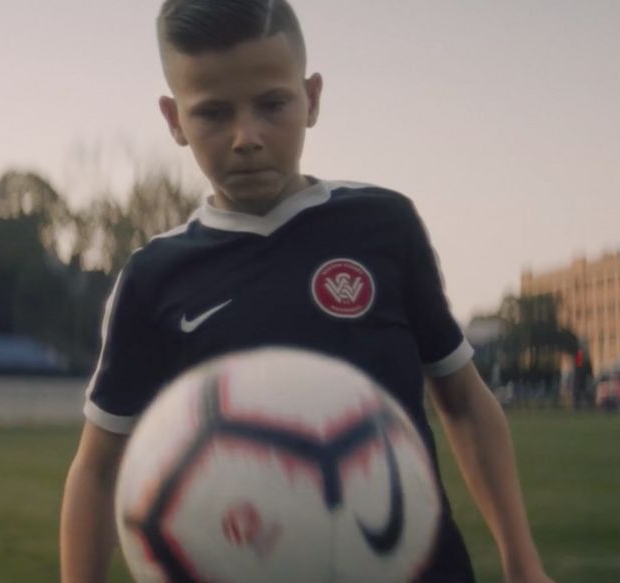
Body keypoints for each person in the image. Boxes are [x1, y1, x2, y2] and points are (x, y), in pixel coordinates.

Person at [58, 1, 554, 581]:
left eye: (273, 104)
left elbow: (464, 403)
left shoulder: (383, 226)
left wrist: (522, 561)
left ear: (312, 97)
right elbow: (97, 469)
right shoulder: (154, 276)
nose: (247, 137)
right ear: (174, 120)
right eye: (213, 113)